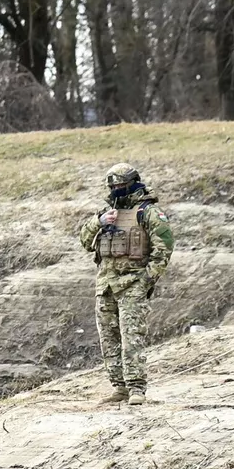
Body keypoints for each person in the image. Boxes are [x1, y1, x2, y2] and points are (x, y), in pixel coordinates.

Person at [78, 164, 175, 405]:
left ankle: (136, 388)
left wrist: (146, 281)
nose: (116, 190)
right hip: (106, 286)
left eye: (120, 185)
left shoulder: (149, 212)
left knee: (132, 337)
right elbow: (85, 241)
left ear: (132, 183)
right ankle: (118, 386)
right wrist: (99, 222)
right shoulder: (106, 212)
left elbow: (163, 249)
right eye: (113, 187)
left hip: (132, 284)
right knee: (109, 338)